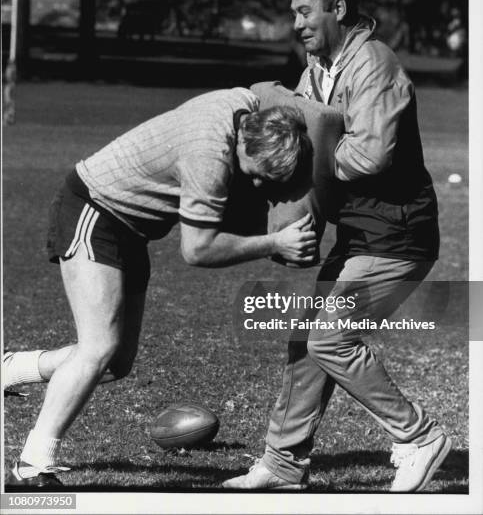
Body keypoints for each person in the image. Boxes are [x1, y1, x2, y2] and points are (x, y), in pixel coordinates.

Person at [3, 86, 317, 488]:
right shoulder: (209, 157)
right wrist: (274, 242)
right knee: (98, 347)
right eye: (256, 174)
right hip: (93, 209)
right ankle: (31, 465)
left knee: (116, 363)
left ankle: (10, 368)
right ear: (245, 145)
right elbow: (198, 249)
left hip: (131, 228)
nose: (257, 186)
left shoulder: (248, 106)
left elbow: (272, 92)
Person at [223, 0, 451, 492]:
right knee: (307, 336)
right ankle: (282, 465)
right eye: (293, 13)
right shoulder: (316, 69)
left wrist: (302, 160)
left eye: (306, 12)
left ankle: (418, 436)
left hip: (399, 235)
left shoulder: (375, 64)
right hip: (360, 234)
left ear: (339, 9)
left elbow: (369, 154)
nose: (296, 23)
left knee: (330, 336)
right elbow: (304, 129)